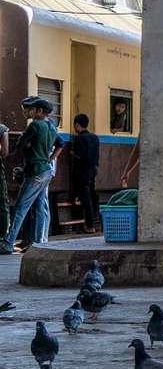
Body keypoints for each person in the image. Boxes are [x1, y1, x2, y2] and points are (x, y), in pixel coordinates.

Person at [4, 97, 59, 253]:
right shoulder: (52, 126)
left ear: (39, 111)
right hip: (46, 171)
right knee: (41, 207)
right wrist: (51, 157)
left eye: (30, 109)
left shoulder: (35, 125)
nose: (26, 112)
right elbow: (60, 143)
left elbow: (19, 144)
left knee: (20, 208)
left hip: (35, 172)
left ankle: (8, 243)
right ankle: (39, 243)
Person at [66, 113, 100, 233]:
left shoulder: (79, 138)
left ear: (77, 125)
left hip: (82, 172)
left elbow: (79, 156)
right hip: (93, 170)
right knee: (92, 196)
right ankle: (96, 223)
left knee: (86, 200)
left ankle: (90, 226)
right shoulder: (95, 138)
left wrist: (71, 153)